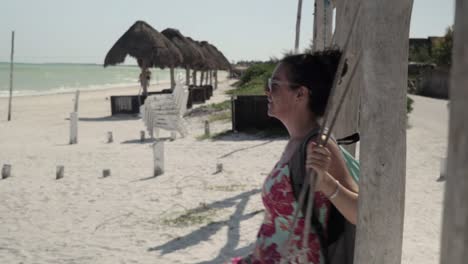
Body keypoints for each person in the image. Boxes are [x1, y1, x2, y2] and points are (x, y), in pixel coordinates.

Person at [232, 50, 359, 263]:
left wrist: (327, 183)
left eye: (273, 84)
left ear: (300, 94)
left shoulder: (318, 144)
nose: (266, 91)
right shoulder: (296, 141)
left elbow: (359, 212)